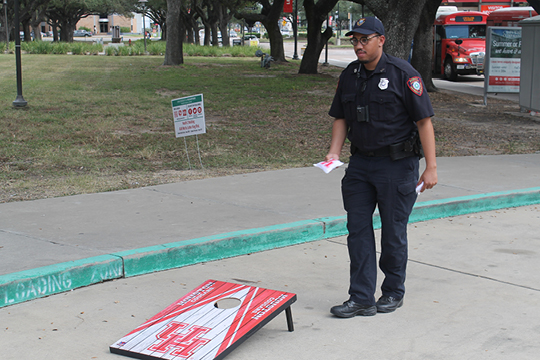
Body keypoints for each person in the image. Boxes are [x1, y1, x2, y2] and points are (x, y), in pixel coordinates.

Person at [326, 17, 438, 318]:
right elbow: (341, 117)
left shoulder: (404, 74)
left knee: (392, 232)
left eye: (365, 39)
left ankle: (392, 292)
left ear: (381, 40)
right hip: (361, 164)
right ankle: (361, 297)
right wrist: (334, 151)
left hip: (397, 166)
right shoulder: (350, 75)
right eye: (354, 40)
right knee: (358, 231)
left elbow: (424, 121)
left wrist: (431, 167)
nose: (358, 46)